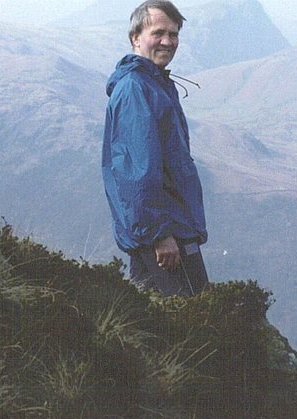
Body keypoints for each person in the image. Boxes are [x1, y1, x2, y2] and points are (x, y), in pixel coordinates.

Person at [102, 0, 209, 297]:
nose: (167, 41)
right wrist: (160, 234)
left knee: (154, 328)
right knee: (196, 324)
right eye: (158, 33)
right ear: (136, 38)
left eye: (173, 34)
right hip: (164, 234)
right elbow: (138, 170)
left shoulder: (155, 84)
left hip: (168, 228)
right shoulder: (137, 88)